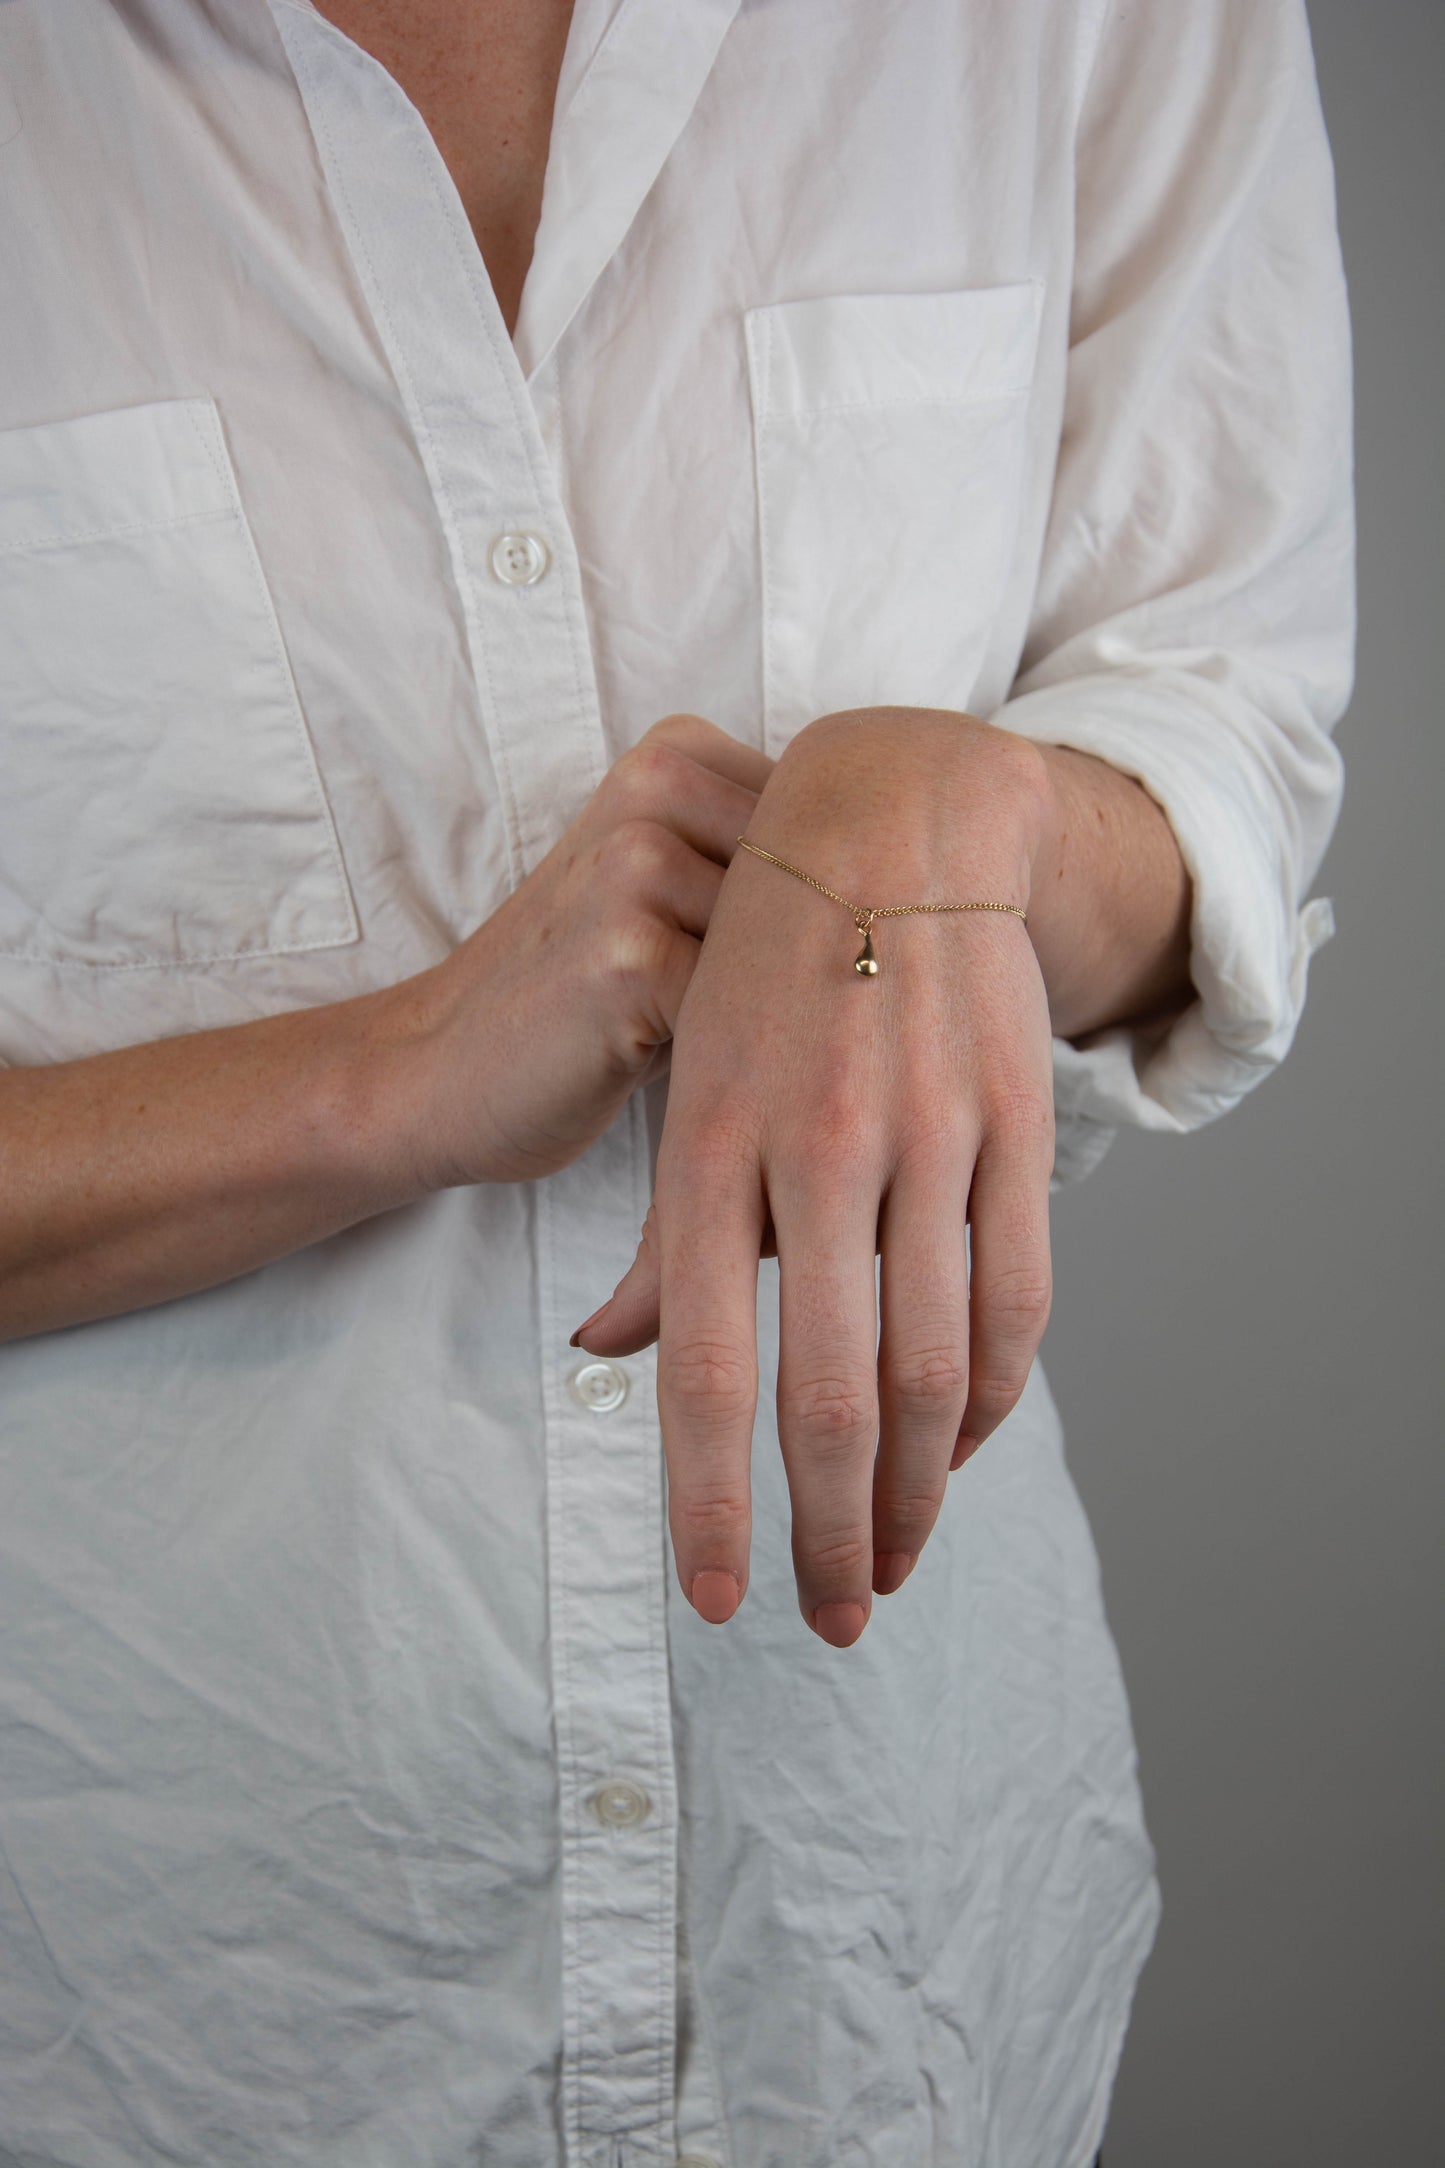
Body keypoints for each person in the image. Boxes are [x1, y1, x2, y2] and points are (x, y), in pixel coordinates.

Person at [0, 0, 1352, 2162]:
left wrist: (968, 820)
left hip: (890, 1958)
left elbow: (1225, 723)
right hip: (148, 2012)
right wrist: (398, 1071)